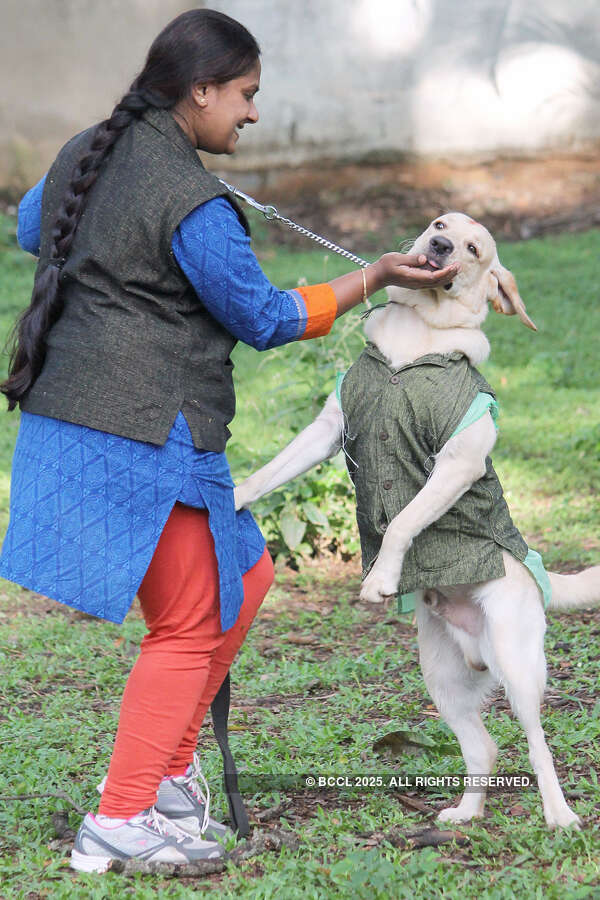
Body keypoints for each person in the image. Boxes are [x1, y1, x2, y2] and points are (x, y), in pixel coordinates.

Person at [1, 8, 458, 874]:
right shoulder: (193, 202)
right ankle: (118, 822)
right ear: (200, 91)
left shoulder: (90, 148)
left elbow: (33, 229)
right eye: (246, 93)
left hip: (79, 414)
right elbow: (264, 317)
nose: (253, 111)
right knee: (190, 623)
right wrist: (373, 277)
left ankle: (170, 779)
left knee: (244, 574)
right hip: (141, 429)